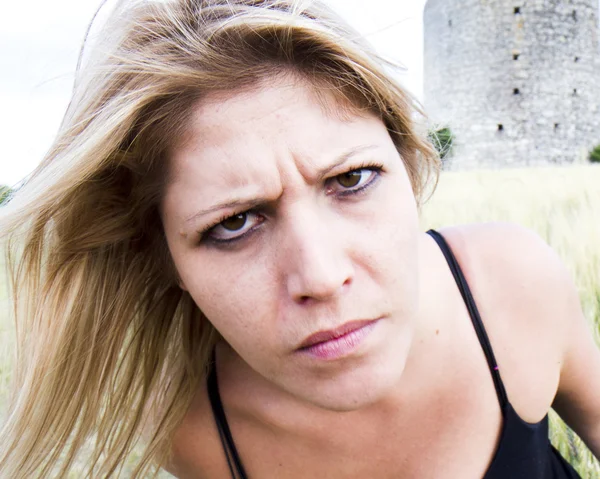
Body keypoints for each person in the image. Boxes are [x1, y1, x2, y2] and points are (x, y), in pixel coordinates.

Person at [0, 0, 599, 477]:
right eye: (233, 223)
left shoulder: (513, 288)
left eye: (351, 179)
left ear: (410, 170)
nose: (319, 276)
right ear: (165, 260)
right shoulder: (191, 426)